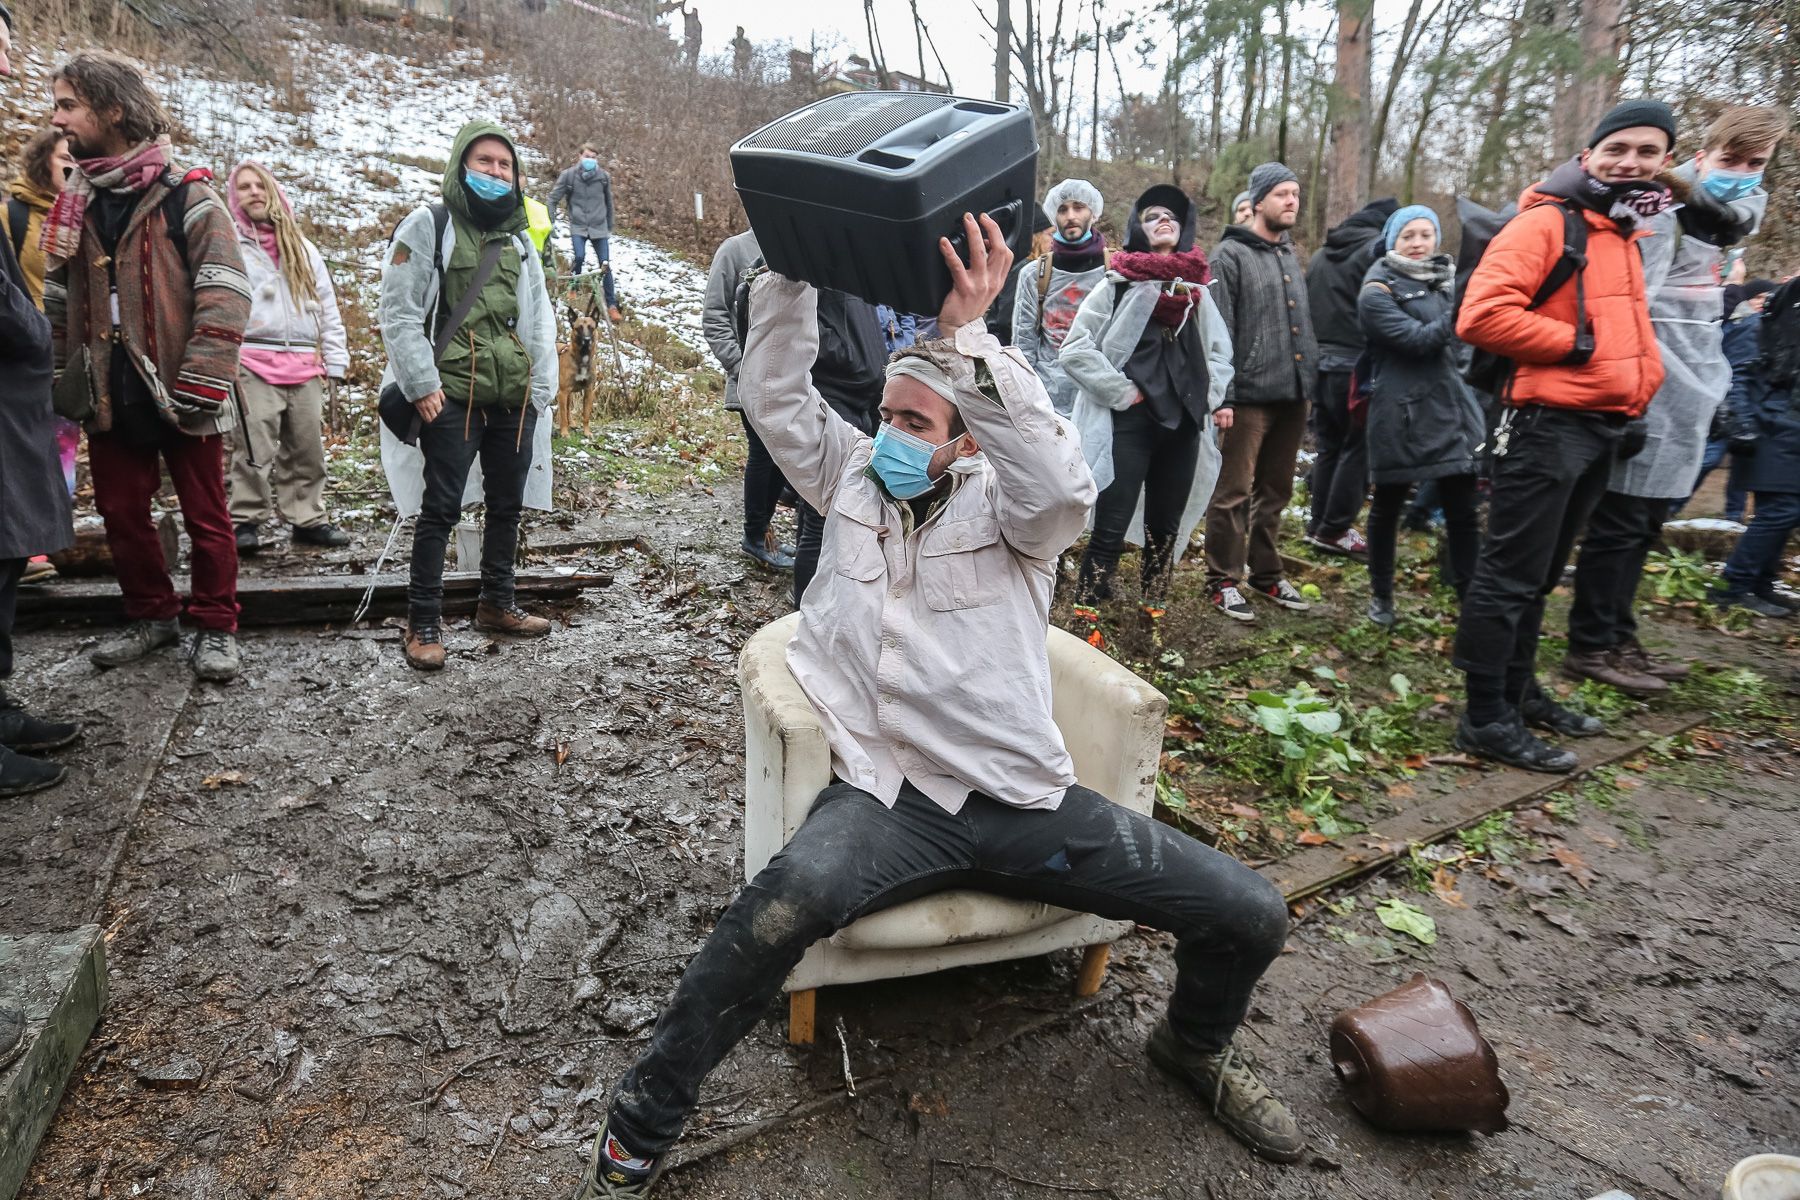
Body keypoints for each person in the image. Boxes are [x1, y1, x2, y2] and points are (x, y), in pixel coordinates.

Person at [571, 214, 1301, 1200]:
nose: (890, 438)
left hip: (1020, 800)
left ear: (963, 442)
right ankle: (645, 1117)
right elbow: (774, 395)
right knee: (763, 921)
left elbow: (1059, 482)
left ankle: (1194, 1044)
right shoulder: (851, 479)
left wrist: (968, 340)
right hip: (886, 800)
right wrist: (790, 277)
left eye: (915, 425)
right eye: (886, 416)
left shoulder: (1014, 514)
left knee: (1250, 913)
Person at [1451, 100, 1674, 772]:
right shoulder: (1547, 221)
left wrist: (1642, 381)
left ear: (1664, 162)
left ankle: (1519, 691)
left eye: (1648, 152)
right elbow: (1481, 315)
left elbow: (1632, 325)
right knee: (1509, 575)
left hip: (1600, 425)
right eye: (1619, 149)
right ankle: (1485, 715)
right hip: (1544, 425)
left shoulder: (1626, 229)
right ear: (1590, 154)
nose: (1631, 162)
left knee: (1543, 575)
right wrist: (1579, 348)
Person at [1565, 105, 1786, 692]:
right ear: (1700, 155)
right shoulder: (1664, 211)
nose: (1740, 172)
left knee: (1644, 524)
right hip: (1653, 380)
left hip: (1693, 378)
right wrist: (1634, 390)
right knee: (1620, 522)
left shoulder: (1726, 218)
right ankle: (1591, 643)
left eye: (1754, 164)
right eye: (1729, 160)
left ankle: (1618, 634)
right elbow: (1629, 302)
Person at [46, 51, 250, 682]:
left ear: (113, 109)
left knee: (207, 515)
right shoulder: (75, 202)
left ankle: (216, 625)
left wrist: (204, 374)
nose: (57, 119)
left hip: (184, 388)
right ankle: (152, 617)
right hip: (107, 391)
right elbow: (58, 301)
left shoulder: (189, 195)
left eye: (69, 105)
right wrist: (58, 377)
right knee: (121, 512)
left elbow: (226, 288)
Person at [378, 120, 557, 671]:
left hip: (512, 397)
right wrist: (421, 383)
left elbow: (537, 318)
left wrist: (540, 387)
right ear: (462, 165)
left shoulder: (520, 240)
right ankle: (424, 621)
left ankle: (496, 603)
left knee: (508, 504)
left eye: (505, 166)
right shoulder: (427, 224)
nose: (496, 173)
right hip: (449, 394)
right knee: (442, 508)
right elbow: (400, 311)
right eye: (485, 162)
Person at [1062, 184, 1234, 612]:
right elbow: (1076, 349)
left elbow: (1220, 354)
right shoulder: (1117, 285)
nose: (1165, 221)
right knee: (1111, 527)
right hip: (1129, 426)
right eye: (1153, 215)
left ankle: (1151, 624)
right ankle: (1089, 622)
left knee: (1165, 530)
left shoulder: (1199, 291)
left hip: (1183, 427)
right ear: (1138, 228)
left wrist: (1205, 397)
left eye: (1173, 217)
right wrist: (1122, 392)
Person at [0, 1, 79, 797]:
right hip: (15, 380)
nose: (7, 69)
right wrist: (31, 334)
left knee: (8, 549)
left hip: (20, 394)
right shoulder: (19, 206)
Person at [1355, 204, 1484, 628]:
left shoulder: (1445, 283)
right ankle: (1382, 596)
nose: (1417, 243)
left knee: (1463, 510)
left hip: (1452, 409)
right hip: (1401, 414)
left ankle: (1471, 601)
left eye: (1425, 234)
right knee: (1388, 506)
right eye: (1408, 235)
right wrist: (1463, 307)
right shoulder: (1377, 290)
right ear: (1393, 240)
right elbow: (1416, 340)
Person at [1205, 161, 1317, 621]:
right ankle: (1222, 580)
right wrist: (1224, 397)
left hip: (1293, 395)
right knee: (1233, 491)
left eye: (1295, 193)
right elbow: (1219, 330)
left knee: (1276, 491)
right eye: (1283, 194)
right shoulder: (1228, 256)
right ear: (1258, 201)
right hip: (1247, 398)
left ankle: (1267, 573)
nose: (1292, 201)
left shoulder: (1289, 254)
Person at [224, 160, 352, 555]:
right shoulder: (230, 245)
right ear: (234, 197)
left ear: (274, 191)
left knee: (306, 447)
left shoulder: (302, 248)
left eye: (260, 185)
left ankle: (307, 518)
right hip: (252, 358)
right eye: (244, 187)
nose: (254, 192)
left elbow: (326, 307)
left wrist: (336, 359)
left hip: (303, 361)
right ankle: (245, 520)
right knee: (252, 445)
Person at [2, 127, 81, 584]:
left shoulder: (81, 214)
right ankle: (26, 549)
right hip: (22, 344)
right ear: (42, 163)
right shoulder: (12, 215)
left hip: (62, 347)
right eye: (62, 159)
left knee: (61, 448)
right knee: (25, 448)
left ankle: (47, 539)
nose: (71, 167)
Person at [1305, 198, 1399, 559]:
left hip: (1321, 366)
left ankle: (1318, 525)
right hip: (1356, 367)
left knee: (1329, 447)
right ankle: (1335, 529)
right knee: (1356, 448)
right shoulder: (1375, 254)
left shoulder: (1319, 255)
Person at [701, 227, 792, 571]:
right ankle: (754, 536)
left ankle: (764, 533)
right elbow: (714, 317)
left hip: (791, 382)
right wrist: (743, 367)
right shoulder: (735, 250)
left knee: (782, 458)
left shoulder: (794, 249)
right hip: (750, 382)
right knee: (763, 454)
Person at [790, 285, 887, 604]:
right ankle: (804, 611)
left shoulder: (857, 267)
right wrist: (852, 358)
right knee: (821, 517)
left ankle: (826, 601)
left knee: (830, 513)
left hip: (862, 400)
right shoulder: (817, 259)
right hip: (831, 397)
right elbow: (799, 326)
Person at [1714, 277, 1800, 617]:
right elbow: (1739, 376)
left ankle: (1761, 583)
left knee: (1785, 511)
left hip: (1786, 428)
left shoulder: (1786, 331)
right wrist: (1744, 423)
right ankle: (1732, 586)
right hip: (1770, 428)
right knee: (1780, 511)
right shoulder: (1760, 327)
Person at [1679, 276, 1775, 520]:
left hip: (1749, 410)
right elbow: (1736, 372)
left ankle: (1733, 517)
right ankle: (1668, 507)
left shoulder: (1767, 327)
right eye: (1759, 297)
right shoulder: (1753, 326)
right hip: (1729, 408)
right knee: (1709, 459)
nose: (1763, 302)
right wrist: (1737, 415)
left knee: (1741, 467)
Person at [1012, 178, 1108, 417]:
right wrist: (1027, 397)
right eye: (1063, 209)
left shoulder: (1115, 272)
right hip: (1049, 398)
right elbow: (1024, 341)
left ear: (1093, 213)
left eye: (1079, 207)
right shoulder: (1033, 275)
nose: (1071, 215)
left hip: (1102, 397)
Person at [547, 142, 619, 320]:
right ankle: (574, 283)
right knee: (579, 256)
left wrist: (609, 225)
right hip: (578, 225)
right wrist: (550, 222)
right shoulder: (568, 176)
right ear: (580, 156)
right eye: (587, 156)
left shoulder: (603, 177)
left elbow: (609, 202)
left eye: (594, 158)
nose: (590, 160)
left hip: (599, 227)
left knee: (605, 265)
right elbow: (552, 199)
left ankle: (612, 305)